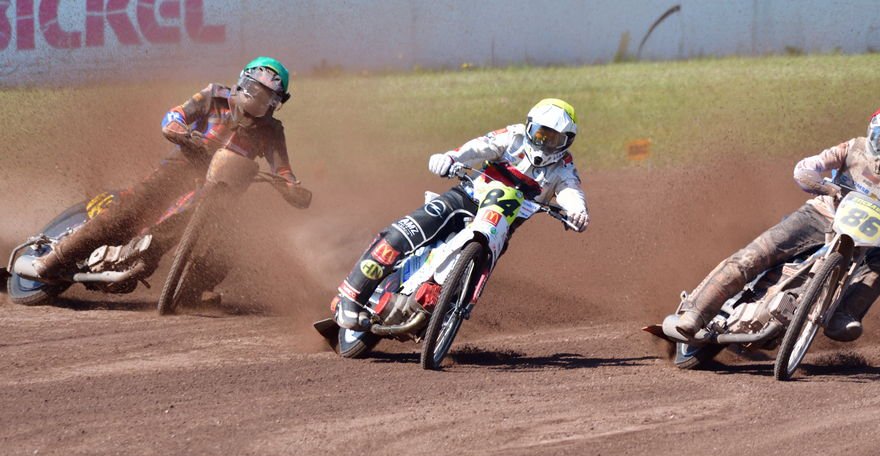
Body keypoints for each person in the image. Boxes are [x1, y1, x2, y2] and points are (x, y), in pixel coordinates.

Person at [675, 104, 880, 342]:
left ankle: (843, 314)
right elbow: (807, 167)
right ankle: (696, 312)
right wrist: (824, 186)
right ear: (871, 134)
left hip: (865, 238)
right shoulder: (852, 148)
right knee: (753, 255)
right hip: (820, 214)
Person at [32, 56, 311, 283]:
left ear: (276, 103)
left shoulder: (273, 130)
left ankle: (192, 290)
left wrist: (291, 187)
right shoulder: (214, 95)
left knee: (229, 245)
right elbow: (176, 114)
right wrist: (178, 128)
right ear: (242, 82)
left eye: (266, 97)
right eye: (254, 90)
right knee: (128, 212)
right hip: (182, 167)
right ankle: (54, 259)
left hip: (224, 191)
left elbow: (283, 169)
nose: (257, 99)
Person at [333, 98, 590, 331]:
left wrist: (577, 211)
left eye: (554, 139)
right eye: (541, 134)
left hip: (500, 226)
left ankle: (449, 311)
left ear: (567, 142)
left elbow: (571, 191)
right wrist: (451, 158)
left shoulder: (564, 168)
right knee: (402, 234)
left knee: (479, 270)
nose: (544, 143)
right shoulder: (513, 137)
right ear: (529, 127)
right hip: (464, 200)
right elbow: (480, 147)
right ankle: (350, 298)